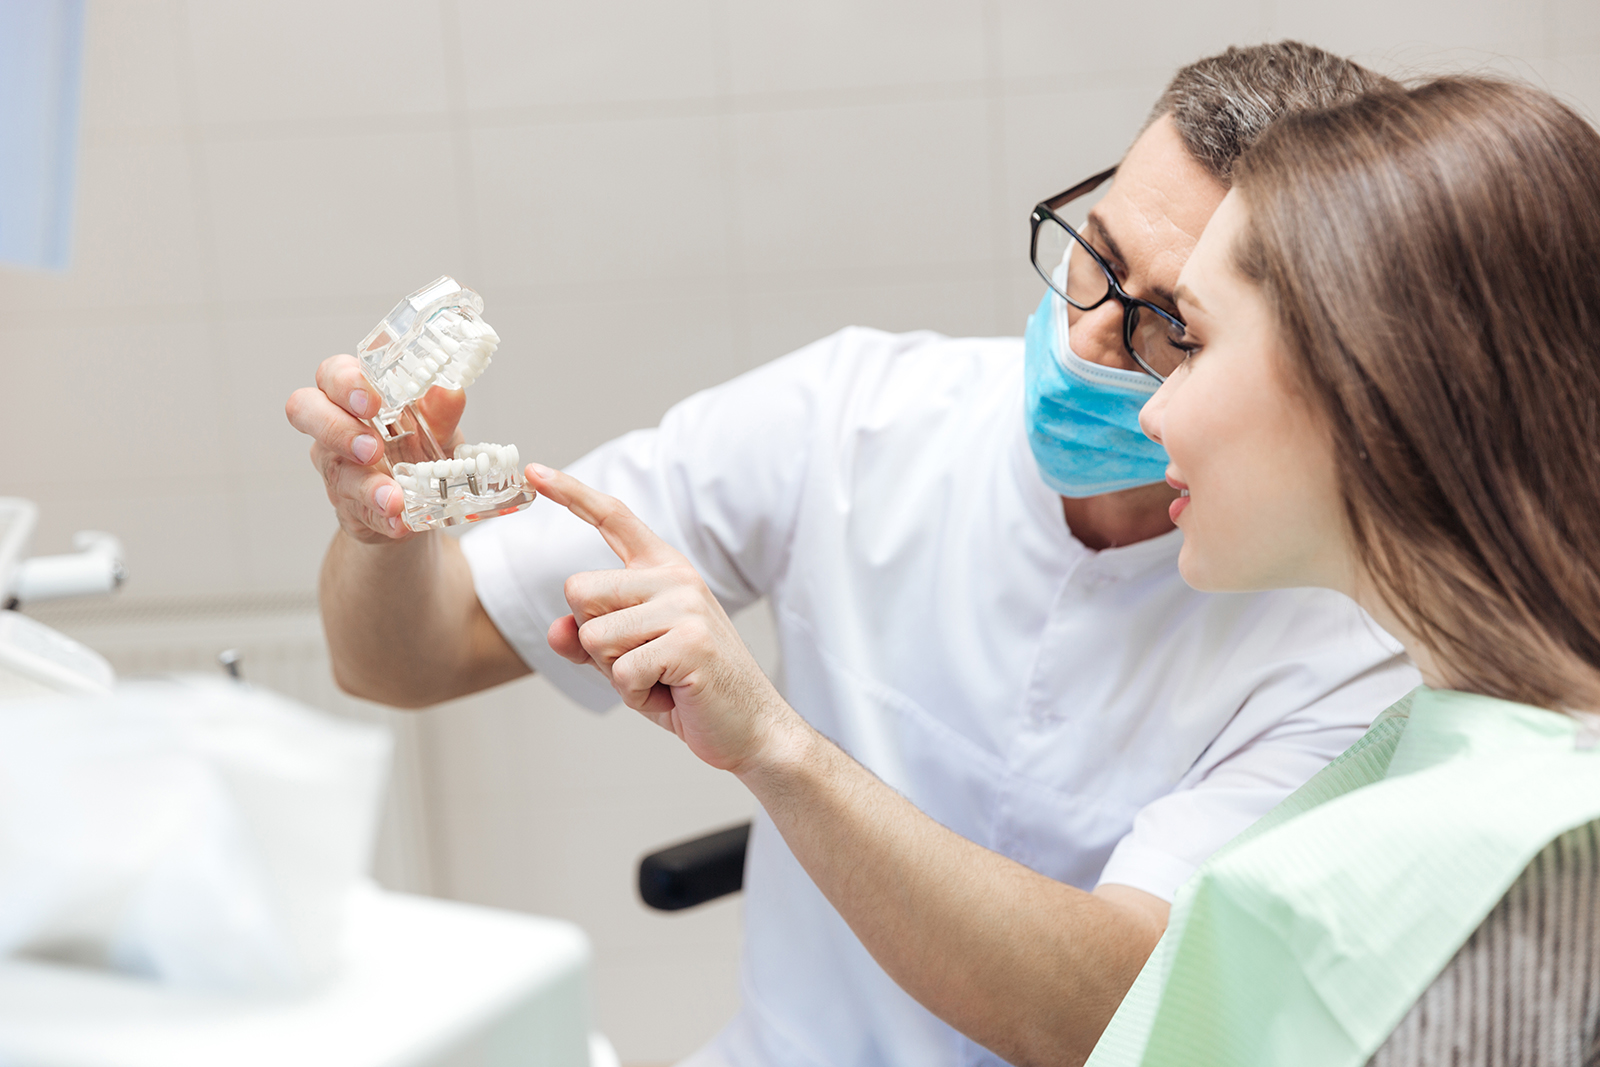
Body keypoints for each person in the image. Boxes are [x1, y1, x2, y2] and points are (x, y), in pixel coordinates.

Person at [286, 43, 1418, 1067]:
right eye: (1096, 253)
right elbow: (405, 658)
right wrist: (379, 525)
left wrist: (776, 745)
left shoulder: (1346, 640)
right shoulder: (858, 415)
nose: (1085, 335)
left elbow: (1112, 1011)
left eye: (1170, 322)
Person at [532, 75, 1600, 1065]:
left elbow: (1134, 1004)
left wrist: (774, 746)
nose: (1148, 400)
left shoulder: (1509, 849)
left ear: (1365, 384)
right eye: (1095, 261)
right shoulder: (1440, 748)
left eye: (1189, 338)